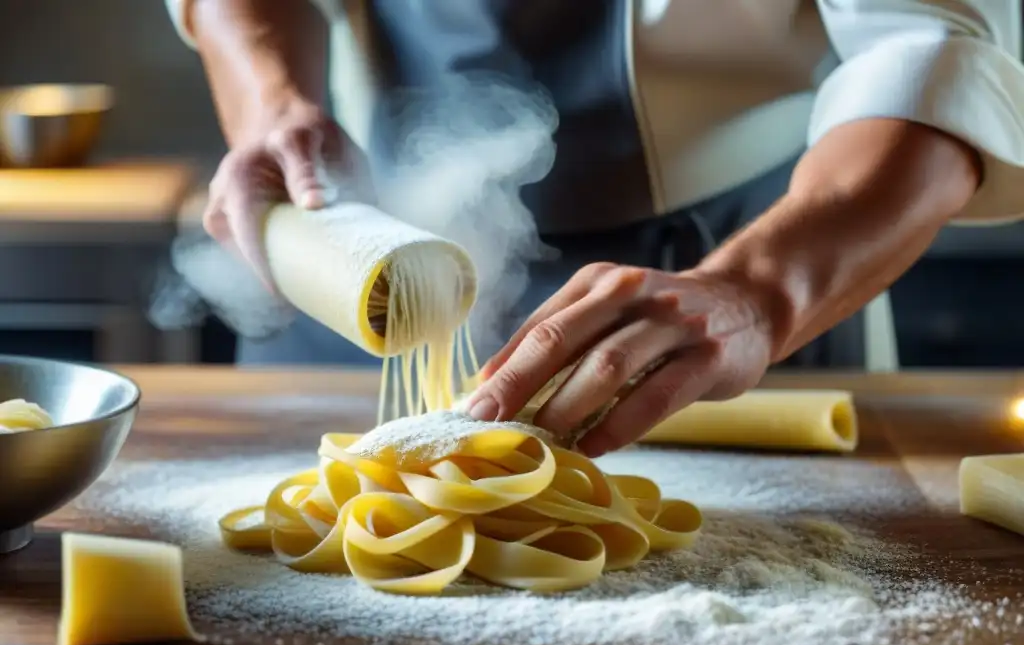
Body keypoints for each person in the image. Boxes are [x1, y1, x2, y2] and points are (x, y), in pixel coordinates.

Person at [167, 0, 1024, 456]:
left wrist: (758, 293)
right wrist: (272, 109)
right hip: (358, 257)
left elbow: (935, 58)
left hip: (735, 268)